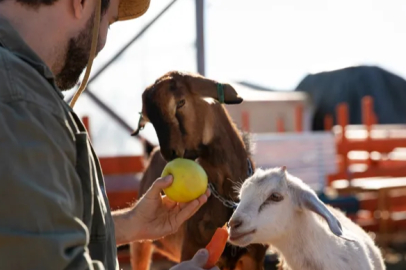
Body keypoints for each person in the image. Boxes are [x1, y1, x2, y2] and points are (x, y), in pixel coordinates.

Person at [0, 0, 219, 269]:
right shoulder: (20, 101)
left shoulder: (21, 90)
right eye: (110, 20)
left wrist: (130, 224)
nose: (103, 39)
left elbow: (29, 242)